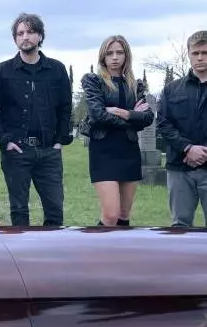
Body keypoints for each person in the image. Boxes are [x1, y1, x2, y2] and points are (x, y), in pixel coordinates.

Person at [0, 12, 73, 226]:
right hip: (17, 151)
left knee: (55, 211)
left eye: (30, 32)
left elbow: (65, 108)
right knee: (19, 212)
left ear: (40, 36)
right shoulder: (3, 71)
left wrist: (59, 141)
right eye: (20, 33)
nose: (25, 37)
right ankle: (20, 249)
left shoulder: (57, 70)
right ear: (15, 38)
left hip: (49, 151)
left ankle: (51, 248)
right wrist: (5, 142)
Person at [81, 35, 153, 226]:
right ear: (102, 57)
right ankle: (98, 246)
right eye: (109, 53)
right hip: (103, 151)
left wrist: (121, 112)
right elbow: (98, 115)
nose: (114, 57)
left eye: (119, 52)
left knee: (123, 214)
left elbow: (147, 117)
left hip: (129, 150)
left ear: (126, 55)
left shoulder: (135, 85)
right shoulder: (94, 81)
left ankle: (121, 247)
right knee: (111, 215)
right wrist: (133, 117)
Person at [157, 30, 207, 227]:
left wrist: (203, 152)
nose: (200, 57)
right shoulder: (172, 89)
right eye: (196, 53)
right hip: (180, 168)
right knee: (180, 227)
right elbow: (163, 123)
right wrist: (188, 148)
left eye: (205, 52)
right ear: (188, 54)